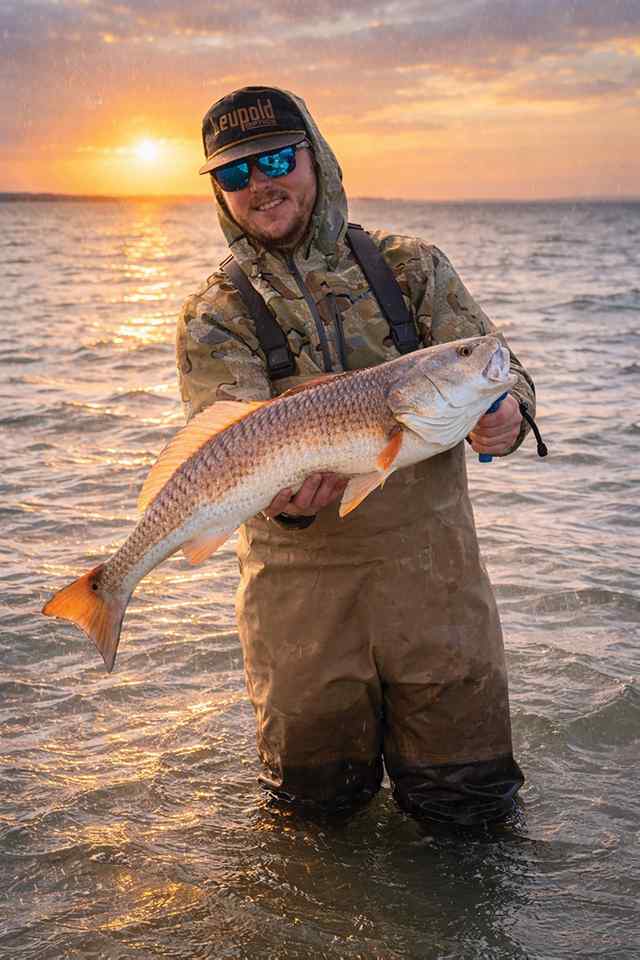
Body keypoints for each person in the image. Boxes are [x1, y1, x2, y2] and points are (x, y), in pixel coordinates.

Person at [176, 85, 536, 826]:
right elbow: (226, 446)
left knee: (471, 821)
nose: (259, 185)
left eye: (276, 159)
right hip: (301, 617)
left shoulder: (411, 268)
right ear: (218, 190)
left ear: (317, 154)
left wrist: (510, 415)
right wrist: (284, 498)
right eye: (234, 174)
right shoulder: (217, 312)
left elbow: (502, 365)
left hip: (438, 599)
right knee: (312, 835)